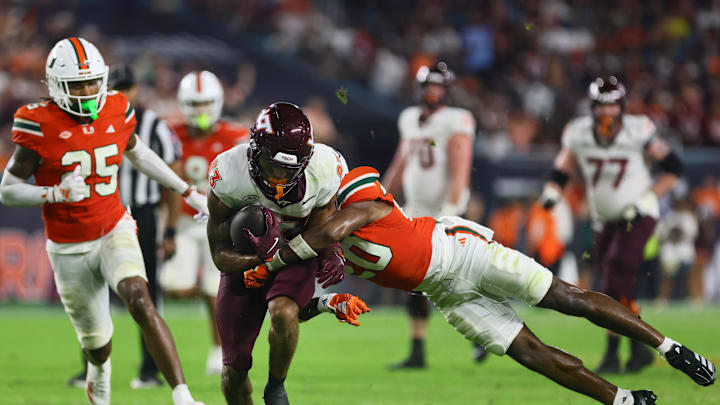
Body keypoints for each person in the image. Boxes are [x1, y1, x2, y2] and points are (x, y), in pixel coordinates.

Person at [244, 166, 716, 405]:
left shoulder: (354, 191)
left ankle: (668, 347)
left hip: (460, 250)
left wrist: (275, 260)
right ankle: (622, 401)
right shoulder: (310, 243)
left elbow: (331, 230)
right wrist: (327, 303)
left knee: (566, 298)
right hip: (443, 291)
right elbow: (294, 308)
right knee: (528, 352)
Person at [0, 37, 206, 405]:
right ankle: (98, 368)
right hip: (67, 246)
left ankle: (182, 396)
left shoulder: (117, 107)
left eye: (93, 81)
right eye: (77, 84)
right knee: (98, 345)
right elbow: (8, 189)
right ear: (55, 85)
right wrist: (54, 194)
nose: (87, 91)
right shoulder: (37, 122)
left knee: (139, 297)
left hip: (114, 226)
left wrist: (186, 191)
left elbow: (140, 154)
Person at [205, 102, 352, 405]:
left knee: (284, 312)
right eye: (272, 167)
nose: (278, 179)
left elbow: (325, 225)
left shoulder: (324, 169)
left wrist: (332, 250)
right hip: (245, 266)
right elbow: (220, 254)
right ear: (255, 151)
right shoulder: (228, 173)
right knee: (234, 372)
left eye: (288, 170)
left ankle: (276, 387)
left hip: (296, 253)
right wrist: (257, 258)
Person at [539, 76, 684, 374]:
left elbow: (673, 168)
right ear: (593, 108)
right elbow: (563, 168)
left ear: (622, 107)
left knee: (614, 278)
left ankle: (612, 352)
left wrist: (649, 197)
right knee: (617, 286)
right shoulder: (578, 132)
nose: (607, 113)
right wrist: (553, 190)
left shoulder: (638, 130)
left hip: (637, 216)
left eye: (613, 106)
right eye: (602, 107)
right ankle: (638, 348)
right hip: (603, 219)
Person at [65, 64, 183, 389]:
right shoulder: (87, 120)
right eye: (115, 87)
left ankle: (149, 370)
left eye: (126, 87)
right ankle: (91, 368)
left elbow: (172, 173)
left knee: (148, 293)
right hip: (101, 214)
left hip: (141, 215)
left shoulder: (153, 123)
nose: (120, 93)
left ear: (135, 90)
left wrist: (170, 230)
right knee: (92, 289)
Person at [382, 61, 483, 368]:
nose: (432, 92)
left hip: (444, 213)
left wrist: (451, 211)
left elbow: (460, 169)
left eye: (438, 86)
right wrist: (381, 195)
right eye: (428, 86)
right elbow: (402, 161)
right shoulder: (410, 118)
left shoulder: (455, 120)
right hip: (415, 212)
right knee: (414, 281)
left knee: (455, 280)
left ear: (447, 90)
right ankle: (417, 350)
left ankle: (481, 334)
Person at [158, 70, 249, 375]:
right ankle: (205, 290)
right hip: (183, 222)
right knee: (173, 288)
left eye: (206, 102)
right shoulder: (169, 132)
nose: (200, 110)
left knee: (216, 290)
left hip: (221, 223)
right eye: (194, 103)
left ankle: (218, 350)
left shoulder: (235, 137)